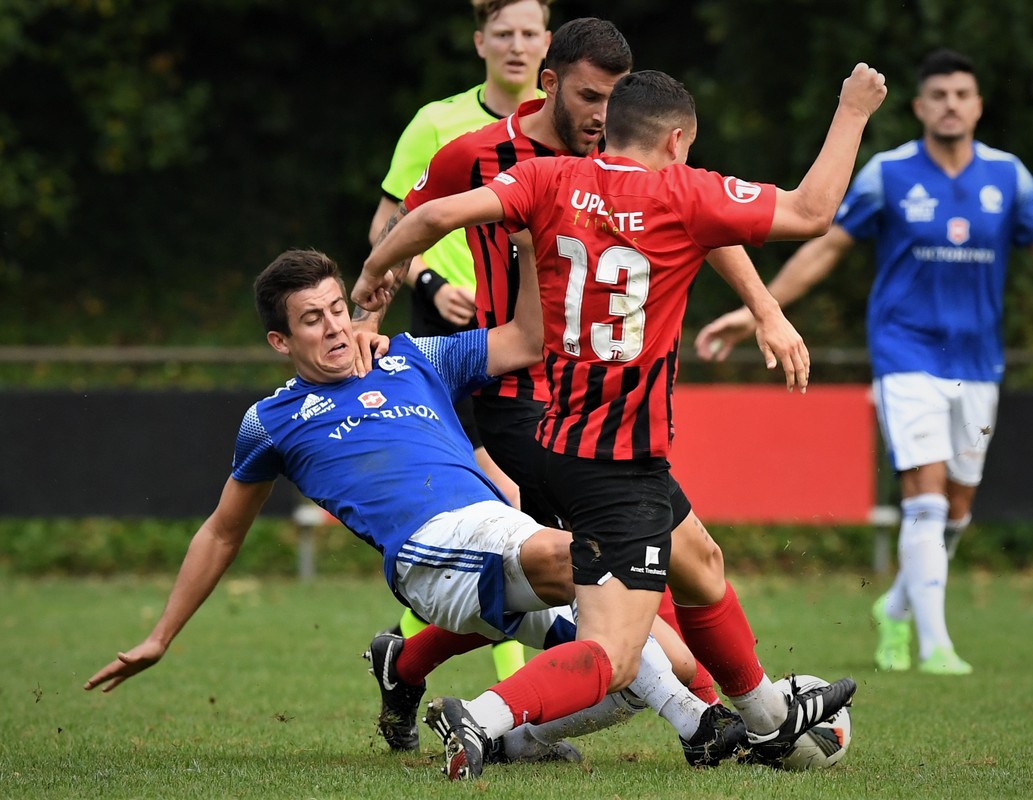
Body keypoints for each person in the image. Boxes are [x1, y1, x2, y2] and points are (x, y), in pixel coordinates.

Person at [354, 64, 888, 779]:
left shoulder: (549, 178)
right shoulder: (682, 193)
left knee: (701, 566)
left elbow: (428, 218)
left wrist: (374, 276)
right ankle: (482, 719)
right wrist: (853, 110)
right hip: (617, 466)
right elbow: (812, 211)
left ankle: (765, 717)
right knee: (615, 654)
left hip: (555, 440)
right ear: (676, 142)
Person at [83, 248, 747, 773]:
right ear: (280, 341)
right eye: (312, 320)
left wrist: (526, 242)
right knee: (583, 556)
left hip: (501, 536)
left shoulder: (410, 357)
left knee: (650, 664)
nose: (334, 327)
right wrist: (160, 636)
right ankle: (705, 724)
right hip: (428, 554)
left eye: (337, 308)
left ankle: (485, 719)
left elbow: (526, 339)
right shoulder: (271, 421)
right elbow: (221, 533)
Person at [692, 48, 1033, 676]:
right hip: (905, 354)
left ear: (978, 105)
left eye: (962, 94)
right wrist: (759, 310)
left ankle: (896, 607)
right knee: (925, 494)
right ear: (919, 107)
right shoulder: (888, 173)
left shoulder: (1008, 176)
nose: (950, 105)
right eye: (938, 95)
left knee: (956, 508)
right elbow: (824, 249)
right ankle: (936, 646)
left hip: (979, 362)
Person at [359, 16, 726, 712]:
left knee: (565, 573)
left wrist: (766, 308)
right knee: (632, 569)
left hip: (600, 397)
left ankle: (406, 662)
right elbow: (407, 220)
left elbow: (703, 215)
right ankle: (710, 714)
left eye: (615, 98)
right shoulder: (470, 149)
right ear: (550, 83)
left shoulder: (621, 155)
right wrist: (371, 314)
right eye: (591, 97)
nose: (605, 114)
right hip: (516, 391)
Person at [367, 0, 554, 684]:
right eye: (502, 33)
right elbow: (389, 225)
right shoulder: (437, 124)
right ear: (480, 42)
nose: (515, 45)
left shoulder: (575, 124)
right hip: (450, 340)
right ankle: (510, 693)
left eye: (528, 32)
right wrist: (426, 281)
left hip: (535, 340)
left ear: (548, 43)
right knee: (496, 505)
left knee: (522, 516)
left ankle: (405, 655)